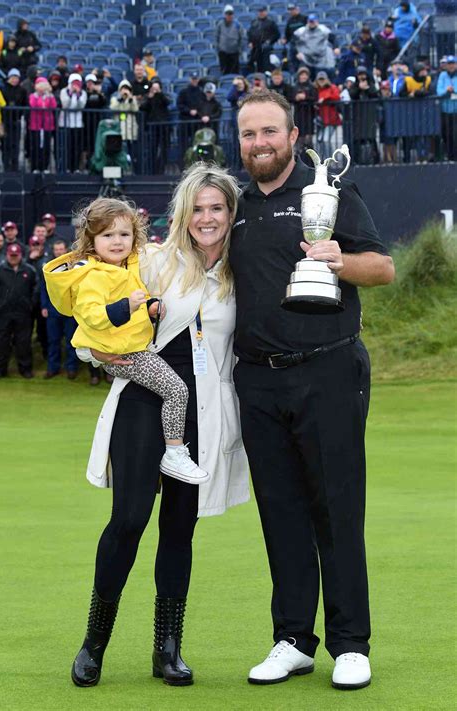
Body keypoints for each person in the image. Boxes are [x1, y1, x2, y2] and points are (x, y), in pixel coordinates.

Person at [230, 89, 395, 690]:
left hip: (328, 371)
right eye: (249, 135)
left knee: (337, 510)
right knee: (281, 514)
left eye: (269, 132)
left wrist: (336, 260)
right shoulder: (235, 204)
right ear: (239, 141)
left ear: (293, 136)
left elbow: (382, 266)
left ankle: (351, 643)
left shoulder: (329, 190)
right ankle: (294, 639)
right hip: (257, 381)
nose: (260, 144)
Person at [64, 164, 249, 687]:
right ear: (182, 213)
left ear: (230, 214)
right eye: (198, 208)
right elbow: (90, 322)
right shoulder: (151, 261)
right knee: (128, 520)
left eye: (217, 208)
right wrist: (100, 354)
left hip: (203, 414)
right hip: (143, 405)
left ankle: (167, 650)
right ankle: (93, 644)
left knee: (179, 529)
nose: (207, 218)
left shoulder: (242, 272)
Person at [44, 196, 208, 484]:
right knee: (177, 391)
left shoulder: (126, 266)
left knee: (171, 391)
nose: (117, 241)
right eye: (107, 235)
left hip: (129, 346)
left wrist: (149, 307)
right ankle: (174, 452)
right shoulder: (92, 275)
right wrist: (127, 307)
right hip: (125, 353)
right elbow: (92, 315)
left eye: (124, 234)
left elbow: (132, 309)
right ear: (91, 239)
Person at [0, 242, 38, 379]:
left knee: (23, 342)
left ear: (21, 255)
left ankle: (25, 369)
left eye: (16, 255)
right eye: (11, 255)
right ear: (7, 255)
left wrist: (30, 304)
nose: (14, 257)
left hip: (23, 312)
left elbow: (36, 287)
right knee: (1, 341)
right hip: (3, 312)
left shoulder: (29, 270)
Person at [40, 239, 79, 379]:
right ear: (53, 251)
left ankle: (71, 368)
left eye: (61, 249)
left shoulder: (73, 267)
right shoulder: (49, 268)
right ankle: (53, 368)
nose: (59, 252)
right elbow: (43, 288)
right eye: (56, 249)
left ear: (65, 250)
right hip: (52, 311)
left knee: (71, 341)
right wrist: (44, 306)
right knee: (53, 341)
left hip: (69, 310)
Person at [293, 14, 338, 81]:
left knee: (320, 78)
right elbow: (293, 42)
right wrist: (297, 52)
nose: (312, 23)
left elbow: (333, 38)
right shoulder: (301, 31)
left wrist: (336, 47)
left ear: (317, 21)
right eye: (310, 22)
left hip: (320, 59)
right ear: (307, 22)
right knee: (305, 77)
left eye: (313, 21)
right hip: (306, 58)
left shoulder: (323, 29)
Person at [59, 73, 87, 173]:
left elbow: (81, 106)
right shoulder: (63, 91)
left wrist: (78, 95)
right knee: (67, 147)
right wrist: (71, 94)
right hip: (66, 123)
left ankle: (75, 168)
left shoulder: (83, 93)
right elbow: (65, 105)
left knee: (77, 147)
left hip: (78, 124)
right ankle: (67, 167)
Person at [28, 77, 56, 173]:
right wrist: (40, 99)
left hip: (47, 125)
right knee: (35, 146)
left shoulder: (50, 96)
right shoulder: (33, 96)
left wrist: (49, 96)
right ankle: (35, 167)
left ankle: (45, 167)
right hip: (36, 125)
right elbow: (34, 105)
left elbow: (53, 106)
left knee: (46, 146)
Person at [1, 68, 27, 172]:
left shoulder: (22, 90)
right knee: (5, 144)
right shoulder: (3, 89)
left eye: (16, 77)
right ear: (9, 78)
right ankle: (6, 166)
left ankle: (15, 167)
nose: (14, 80)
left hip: (17, 121)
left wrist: (21, 115)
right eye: (13, 77)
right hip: (5, 121)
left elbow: (25, 105)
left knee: (15, 145)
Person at [314, 71, 341, 158]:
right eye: (320, 79)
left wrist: (325, 98)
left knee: (325, 140)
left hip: (332, 119)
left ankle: (332, 161)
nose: (321, 81)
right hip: (321, 120)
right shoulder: (315, 89)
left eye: (323, 79)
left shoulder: (332, 87)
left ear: (327, 79)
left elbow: (337, 96)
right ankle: (324, 159)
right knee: (319, 140)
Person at [246, 5, 280, 74]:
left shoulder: (271, 22)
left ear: (266, 12)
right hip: (256, 47)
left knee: (266, 67)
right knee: (258, 67)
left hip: (266, 48)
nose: (261, 13)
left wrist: (270, 41)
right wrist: (250, 42)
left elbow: (277, 34)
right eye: (260, 11)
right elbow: (250, 33)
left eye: (262, 11)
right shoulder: (254, 22)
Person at [292, 66, 317, 156]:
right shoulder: (295, 86)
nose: (303, 77)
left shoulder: (312, 87)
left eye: (305, 75)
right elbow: (291, 98)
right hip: (298, 115)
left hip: (309, 115)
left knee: (308, 140)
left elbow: (315, 98)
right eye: (302, 75)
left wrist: (305, 97)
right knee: (299, 139)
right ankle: (299, 159)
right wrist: (296, 98)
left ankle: (311, 161)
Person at [436, 55, 457, 161]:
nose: (451, 66)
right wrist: (447, 91)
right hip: (445, 110)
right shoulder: (442, 75)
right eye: (449, 64)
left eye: (453, 63)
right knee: (446, 134)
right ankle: (450, 156)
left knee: (455, 134)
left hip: (456, 110)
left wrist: (453, 91)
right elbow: (439, 92)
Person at [215, 5, 245, 76]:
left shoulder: (238, 25)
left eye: (231, 14)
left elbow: (242, 38)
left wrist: (239, 50)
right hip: (223, 53)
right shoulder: (220, 24)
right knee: (224, 72)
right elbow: (216, 37)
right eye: (228, 14)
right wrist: (218, 49)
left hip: (234, 52)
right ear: (225, 14)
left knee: (235, 73)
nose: (229, 16)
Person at [282, 3, 307, 74]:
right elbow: (287, 34)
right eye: (290, 10)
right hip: (293, 44)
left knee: (303, 63)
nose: (291, 11)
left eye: (293, 9)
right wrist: (285, 39)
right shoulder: (289, 21)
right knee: (292, 62)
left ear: (297, 9)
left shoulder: (304, 18)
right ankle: (293, 77)